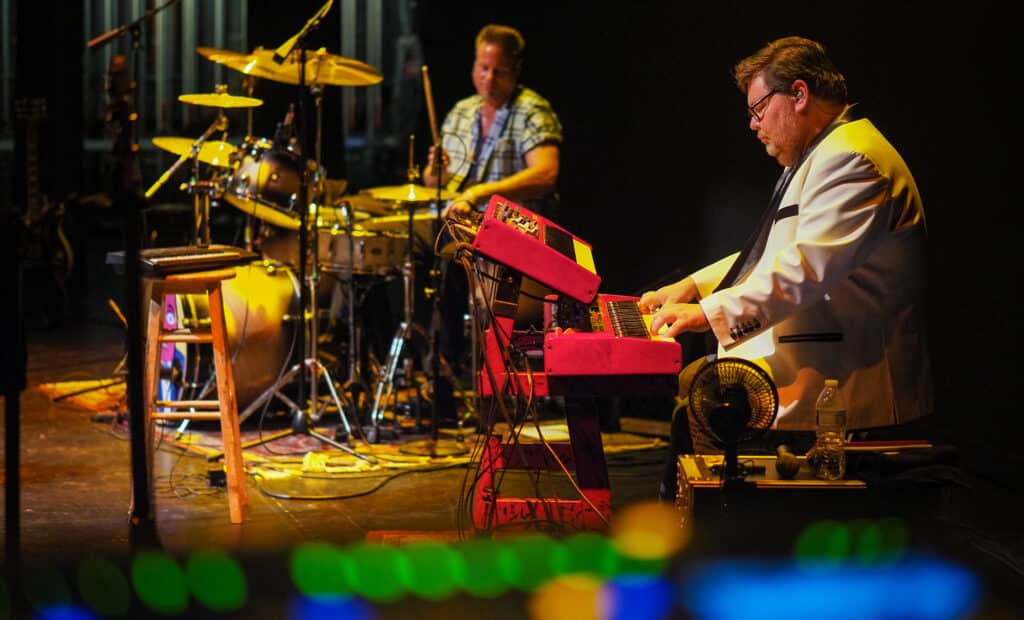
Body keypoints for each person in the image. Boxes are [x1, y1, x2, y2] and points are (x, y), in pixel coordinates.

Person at [638, 36, 934, 490]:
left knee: (706, 392)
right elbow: (777, 250)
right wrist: (695, 287)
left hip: (848, 380)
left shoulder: (851, 158)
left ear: (798, 94)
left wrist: (705, 314)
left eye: (758, 109)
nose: (753, 125)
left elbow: (803, 267)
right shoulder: (822, 155)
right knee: (696, 387)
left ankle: (720, 535)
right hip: (819, 357)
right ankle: (696, 528)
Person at [422, 23, 563, 423]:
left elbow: (546, 173)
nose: (488, 78)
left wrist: (482, 192)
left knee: (487, 303)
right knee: (422, 269)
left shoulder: (531, 110)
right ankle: (444, 390)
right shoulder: (462, 113)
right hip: (465, 240)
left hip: (517, 243)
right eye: (482, 68)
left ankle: (498, 399)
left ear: (515, 69)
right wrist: (435, 172)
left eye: (497, 70)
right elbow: (438, 183)